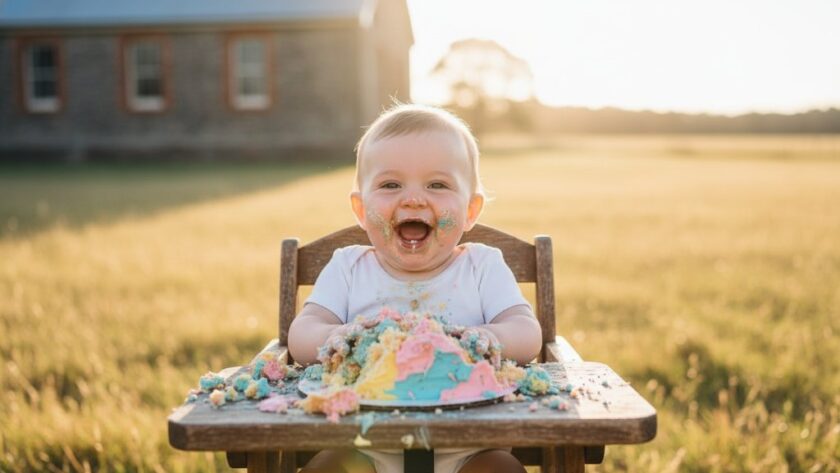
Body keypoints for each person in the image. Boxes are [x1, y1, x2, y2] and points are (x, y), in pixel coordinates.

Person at [288, 103, 542, 473]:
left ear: (471, 210)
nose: (413, 199)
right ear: (360, 209)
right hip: (361, 442)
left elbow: (526, 332)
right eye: (391, 185)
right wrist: (344, 336)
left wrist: (483, 337)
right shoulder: (348, 268)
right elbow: (303, 333)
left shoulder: (482, 266)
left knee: (501, 469)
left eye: (437, 185)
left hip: (471, 443)